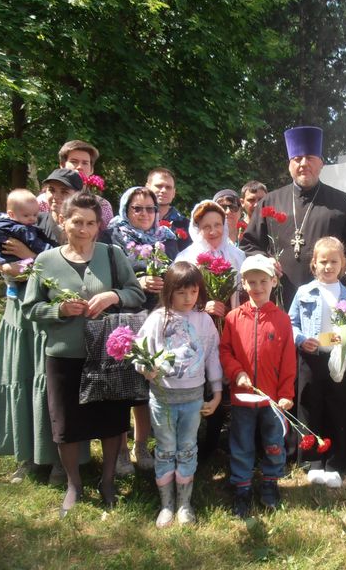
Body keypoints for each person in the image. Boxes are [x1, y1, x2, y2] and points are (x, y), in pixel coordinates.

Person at [22, 191, 146, 516]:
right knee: (67, 422)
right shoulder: (46, 261)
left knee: (109, 420)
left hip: (107, 352)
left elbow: (136, 294)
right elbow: (31, 308)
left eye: (91, 223)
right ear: (63, 221)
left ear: (99, 225)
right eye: (77, 222)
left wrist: (112, 296)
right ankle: (74, 485)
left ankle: (107, 482)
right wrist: (59, 310)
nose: (84, 230)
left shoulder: (112, 254)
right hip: (64, 354)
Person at [0, 168, 85, 485]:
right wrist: (7, 263)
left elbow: (72, 268)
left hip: (51, 313)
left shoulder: (78, 224)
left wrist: (30, 258)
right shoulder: (27, 216)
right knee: (21, 379)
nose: (56, 196)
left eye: (64, 191)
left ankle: (57, 458)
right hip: (18, 312)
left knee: (51, 386)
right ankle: (26, 455)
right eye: (52, 189)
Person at [240, 126, 346, 310]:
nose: (303, 164)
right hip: (278, 297)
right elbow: (249, 244)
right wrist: (264, 261)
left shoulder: (341, 202)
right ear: (289, 165)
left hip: (329, 300)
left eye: (309, 158)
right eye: (297, 159)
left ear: (321, 163)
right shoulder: (270, 201)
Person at [99, 186, 180, 474]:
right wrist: (137, 282)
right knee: (123, 386)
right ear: (125, 209)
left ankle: (141, 445)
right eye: (137, 208)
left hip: (157, 317)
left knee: (147, 386)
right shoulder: (111, 237)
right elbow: (103, 277)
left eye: (150, 208)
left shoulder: (167, 239)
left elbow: (177, 275)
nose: (145, 214)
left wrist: (165, 284)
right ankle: (120, 451)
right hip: (124, 317)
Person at [135, 262, 223, 527]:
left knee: (187, 448)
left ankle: (184, 503)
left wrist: (217, 393)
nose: (188, 299)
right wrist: (146, 369)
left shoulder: (204, 321)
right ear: (170, 291)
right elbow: (139, 355)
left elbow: (212, 358)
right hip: (163, 400)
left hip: (193, 399)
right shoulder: (156, 319)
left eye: (193, 292)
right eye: (182, 292)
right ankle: (166, 504)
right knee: (165, 449)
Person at [219, 254, 296, 518]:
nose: (258, 287)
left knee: (274, 443)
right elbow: (225, 351)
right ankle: (241, 488)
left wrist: (286, 394)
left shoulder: (282, 320)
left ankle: (270, 484)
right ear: (243, 283)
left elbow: (288, 362)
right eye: (251, 281)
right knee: (241, 442)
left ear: (273, 281)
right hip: (242, 398)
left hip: (272, 400)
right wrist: (236, 372)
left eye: (263, 281)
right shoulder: (232, 318)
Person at [176, 200, 245, 458]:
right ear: (197, 229)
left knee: (223, 385)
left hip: (229, 329)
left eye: (218, 225)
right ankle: (192, 443)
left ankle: (215, 442)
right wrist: (202, 309)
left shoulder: (237, 255)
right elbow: (177, 298)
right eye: (207, 226)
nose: (214, 231)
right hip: (197, 331)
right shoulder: (187, 258)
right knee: (201, 384)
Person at [288, 237, 346, 488]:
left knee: (338, 407)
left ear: (343, 264)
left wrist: (330, 338)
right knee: (310, 405)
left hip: (338, 359)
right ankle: (312, 461)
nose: (328, 266)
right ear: (314, 264)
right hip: (311, 359)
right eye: (323, 261)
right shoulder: (304, 292)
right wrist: (302, 339)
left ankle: (335, 462)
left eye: (334, 261)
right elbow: (291, 322)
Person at [0, 189, 53, 299]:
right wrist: (50, 250)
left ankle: (10, 283)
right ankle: (12, 283)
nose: (32, 218)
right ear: (11, 214)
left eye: (35, 215)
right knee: (26, 269)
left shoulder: (0, 224)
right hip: (14, 260)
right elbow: (36, 244)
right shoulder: (22, 229)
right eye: (26, 215)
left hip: (5, 258)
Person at [37, 140, 114, 230]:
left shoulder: (102, 205)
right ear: (62, 165)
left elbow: (106, 237)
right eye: (74, 162)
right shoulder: (42, 202)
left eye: (85, 163)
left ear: (91, 169)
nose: (79, 167)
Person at [146, 167, 192, 252]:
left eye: (168, 187)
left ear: (174, 193)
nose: (163, 190)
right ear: (147, 187)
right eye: (159, 186)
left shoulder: (186, 225)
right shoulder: (138, 219)